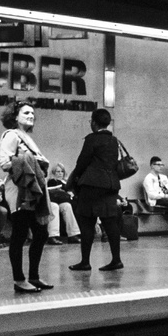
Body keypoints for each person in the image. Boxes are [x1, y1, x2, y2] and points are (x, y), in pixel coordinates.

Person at [0, 100, 54, 294]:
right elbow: (4, 162)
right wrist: (29, 160)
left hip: (33, 190)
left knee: (41, 233)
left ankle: (34, 276)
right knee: (20, 234)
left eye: (32, 113)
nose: (31, 116)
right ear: (15, 116)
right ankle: (19, 279)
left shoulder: (25, 137)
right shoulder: (12, 135)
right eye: (26, 113)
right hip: (20, 190)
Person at [67, 107, 124, 273]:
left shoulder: (92, 139)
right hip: (111, 185)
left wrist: (73, 180)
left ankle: (85, 261)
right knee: (110, 222)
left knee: (87, 223)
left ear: (93, 122)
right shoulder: (114, 140)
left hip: (92, 185)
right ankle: (116, 259)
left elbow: (82, 162)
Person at [44, 163, 81, 246]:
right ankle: (52, 236)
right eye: (58, 171)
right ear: (53, 173)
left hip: (62, 201)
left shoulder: (66, 182)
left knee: (67, 206)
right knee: (55, 206)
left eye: (62, 171)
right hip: (52, 201)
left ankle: (73, 234)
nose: (60, 173)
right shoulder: (51, 181)